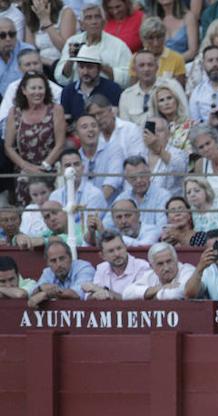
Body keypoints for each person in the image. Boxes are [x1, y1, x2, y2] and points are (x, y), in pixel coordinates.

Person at [5, 72, 65, 205]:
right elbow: (8, 147)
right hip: (24, 168)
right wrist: (26, 166)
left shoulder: (56, 109)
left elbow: (60, 144)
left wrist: (44, 167)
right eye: (33, 88)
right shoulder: (14, 112)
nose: (37, 92)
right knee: (23, 182)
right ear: (24, 90)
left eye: (40, 88)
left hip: (50, 166)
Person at [55, 4, 131, 88]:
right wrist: (71, 60)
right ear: (81, 24)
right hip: (78, 93)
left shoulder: (119, 46)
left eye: (97, 17)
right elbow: (61, 78)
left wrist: (99, 65)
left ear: (104, 22)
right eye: (88, 18)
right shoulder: (74, 41)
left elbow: (127, 79)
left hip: (108, 95)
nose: (94, 21)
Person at [80, 227, 154, 299]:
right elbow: (88, 298)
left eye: (119, 248)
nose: (117, 254)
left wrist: (103, 291)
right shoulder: (101, 268)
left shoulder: (142, 267)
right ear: (102, 256)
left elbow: (136, 300)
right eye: (111, 251)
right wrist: (95, 295)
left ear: (125, 247)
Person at [26, 237, 92, 305]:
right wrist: (40, 289)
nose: (58, 264)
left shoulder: (84, 267)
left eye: (62, 259)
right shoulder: (48, 272)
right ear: (47, 263)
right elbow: (35, 294)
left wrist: (46, 293)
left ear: (70, 258)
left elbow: (76, 294)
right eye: (53, 261)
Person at [121, 241, 195, 299]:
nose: (166, 268)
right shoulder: (150, 275)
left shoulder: (188, 271)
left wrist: (151, 297)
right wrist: (160, 288)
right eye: (160, 264)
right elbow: (127, 293)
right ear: (152, 266)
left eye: (169, 261)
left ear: (176, 260)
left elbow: (177, 294)